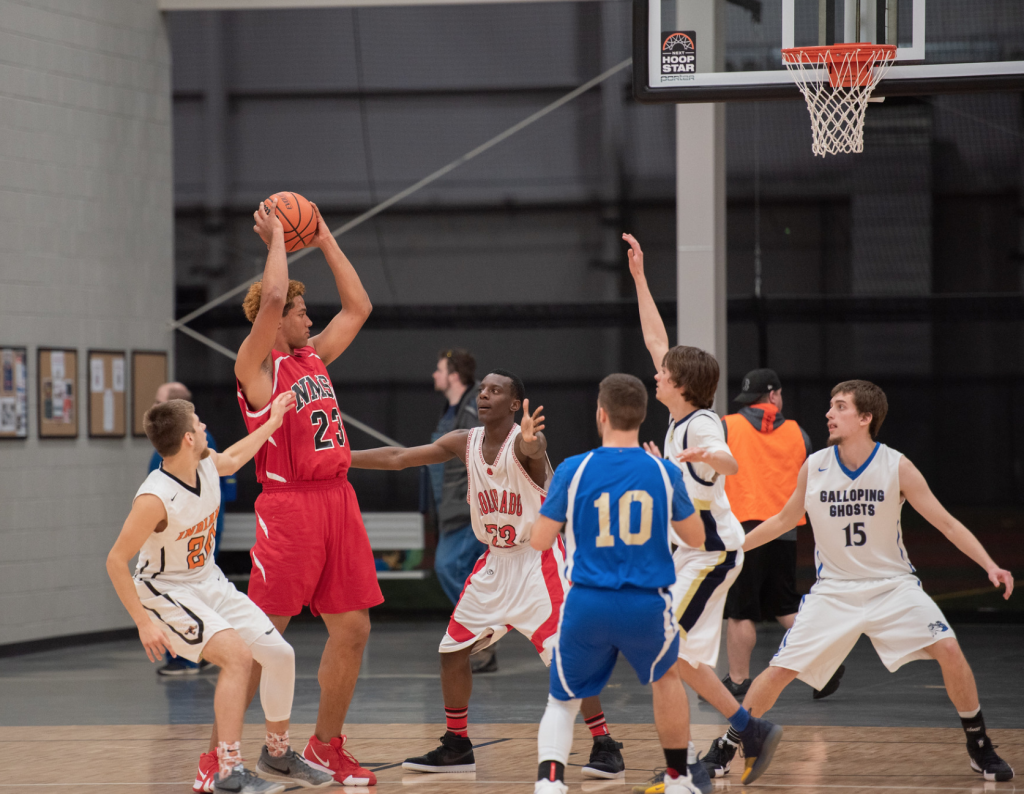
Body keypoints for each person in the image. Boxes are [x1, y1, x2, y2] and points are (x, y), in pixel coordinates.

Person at [717, 380, 1015, 783]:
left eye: (839, 407)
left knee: (948, 646)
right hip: (834, 591)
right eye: (830, 406)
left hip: (892, 586)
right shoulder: (816, 464)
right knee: (779, 670)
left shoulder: (896, 465)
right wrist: (735, 548)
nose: (829, 413)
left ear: (864, 418)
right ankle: (727, 746)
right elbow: (784, 520)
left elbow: (944, 521)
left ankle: (980, 746)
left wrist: (989, 564)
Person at [349, 370, 626, 780]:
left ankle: (604, 742)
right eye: (481, 390)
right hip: (495, 562)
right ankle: (458, 744)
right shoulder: (466, 441)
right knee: (451, 652)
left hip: (538, 562)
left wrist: (533, 440)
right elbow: (400, 457)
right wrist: (339, 458)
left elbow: (536, 448)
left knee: (569, 658)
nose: (483, 395)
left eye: (495, 391)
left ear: (515, 404)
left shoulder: (524, 441)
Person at [107, 392, 335, 794]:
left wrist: (273, 422)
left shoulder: (207, 464)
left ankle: (277, 754)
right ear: (188, 439)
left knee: (280, 654)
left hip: (207, 579)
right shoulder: (154, 497)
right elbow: (115, 560)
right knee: (237, 657)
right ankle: (225, 769)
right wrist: (143, 624)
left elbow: (233, 457)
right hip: (165, 590)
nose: (205, 425)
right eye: (198, 422)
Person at [625, 233, 782, 786]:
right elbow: (655, 337)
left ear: (683, 384)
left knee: (665, 657)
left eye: (665, 372)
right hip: (695, 556)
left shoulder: (702, 424)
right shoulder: (676, 422)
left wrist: (710, 456)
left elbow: (728, 462)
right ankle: (745, 730)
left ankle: (691, 764)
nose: (656, 373)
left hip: (711, 554)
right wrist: (641, 278)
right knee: (675, 659)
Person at [234, 197, 379, 786]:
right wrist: (277, 239)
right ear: (277, 320)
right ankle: (217, 752)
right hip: (289, 504)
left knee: (353, 628)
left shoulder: (312, 357)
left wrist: (322, 237)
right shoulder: (256, 365)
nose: (307, 319)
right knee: (264, 636)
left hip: (337, 500)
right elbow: (269, 299)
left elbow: (360, 305)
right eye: (300, 311)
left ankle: (325, 747)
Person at [530, 374, 714, 794]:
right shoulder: (664, 472)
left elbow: (541, 540)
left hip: (587, 603)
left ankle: (550, 783)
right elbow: (696, 539)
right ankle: (678, 778)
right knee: (666, 680)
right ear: (642, 416)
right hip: (645, 603)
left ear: (601, 414)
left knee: (562, 699)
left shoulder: (575, 469)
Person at [721, 370, 844, 701]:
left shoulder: (726, 426)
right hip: (784, 529)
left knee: (741, 610)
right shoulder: (798, 433)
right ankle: (827, 666)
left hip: (744, 531)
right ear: (774, 396)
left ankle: (738, 680)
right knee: (786, 605)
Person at [148, 381, 238, 677]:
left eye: (158, 400)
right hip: (199, 526)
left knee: (188, 590)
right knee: (196, 588)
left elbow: (227, 469)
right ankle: (203, 650)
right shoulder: (195, 440)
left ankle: (187, 656)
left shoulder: (191, 442)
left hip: (189, 531)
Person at [428, 348, 495, 673]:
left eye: (439, 370)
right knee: (466, 575)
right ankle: (481, 639)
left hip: (468, 509)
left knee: (448, 567)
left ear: (454, 375)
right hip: (451, 508)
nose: (434, 375)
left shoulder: (472, 409)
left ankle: (482, 632)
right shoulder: (454, 408)